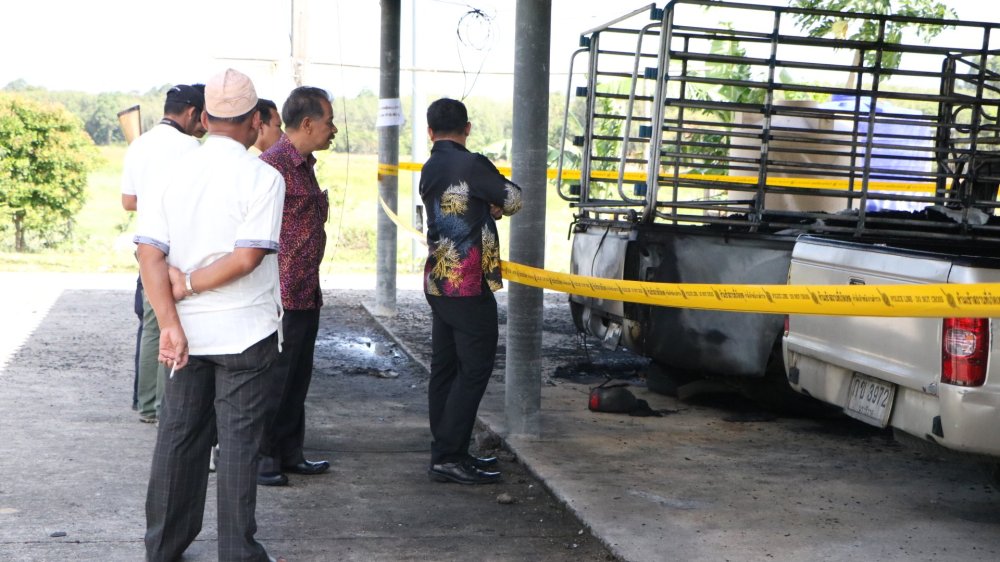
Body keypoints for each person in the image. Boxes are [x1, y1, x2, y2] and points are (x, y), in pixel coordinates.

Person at [135, 68, 287, 562]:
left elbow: (149, 255)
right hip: (245, 333)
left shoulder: (169, 173)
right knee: (239, 446)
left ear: (203, 118)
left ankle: (163, 547)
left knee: (178, 438)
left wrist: (170, 324)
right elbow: (247, 258)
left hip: (187, 334)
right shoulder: (264, 176)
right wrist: (193, 283)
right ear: (255, 121)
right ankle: (238, 553)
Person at [419, 97, 522, 485]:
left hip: (439, 279)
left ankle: (448, 452)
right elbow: (514, 198)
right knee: (474, 370)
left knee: (445, 369)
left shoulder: (430, 167)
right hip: (467, 283)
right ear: (468, 128)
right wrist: (493, 204)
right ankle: (449, 454)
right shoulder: (472, 164)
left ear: (430, 131)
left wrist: (485, 204)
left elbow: (459, 206)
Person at [256, 86, 337, 487]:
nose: (333, 130)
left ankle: (290, 452)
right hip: (281, 294)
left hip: (306, 290)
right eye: (329, 121)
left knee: (298, 377)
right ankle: (263, 458)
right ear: (307, 123)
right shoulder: (272, 165)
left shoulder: (304, 164)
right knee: (276, 379)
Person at [121, 83, 204, 423]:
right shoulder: (192, 148)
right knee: (172, 322)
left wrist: (152, 199)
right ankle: (164, 406)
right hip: (177, 246)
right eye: (203, 117)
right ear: (192, 112)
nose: (204, 125)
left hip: (145, 245)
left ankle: (146, 405)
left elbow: (128, 201)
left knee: (152, 324)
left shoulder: (139, 144)